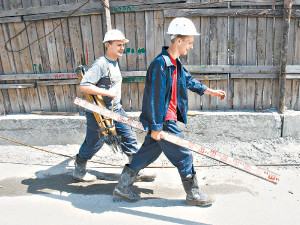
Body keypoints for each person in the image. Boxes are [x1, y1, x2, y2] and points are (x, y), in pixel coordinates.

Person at [113, 18, 226, 206]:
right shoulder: (161, 64)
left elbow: (188, 81)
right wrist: (157, 127)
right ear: (178, 40)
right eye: (189, 42)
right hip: (164, 121)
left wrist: (209, 91)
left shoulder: (176, 63)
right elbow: (155, 98)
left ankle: (122, 187)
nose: (191, 47)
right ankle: (193, 194)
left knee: (146, 154)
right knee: (184, 155)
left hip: (162, 121)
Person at [73, 29, 155, 182]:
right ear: (108, 45)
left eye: (123, 45)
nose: (122, 48)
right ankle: (79, 169)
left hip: (116, 110)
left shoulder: (114, 63)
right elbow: (84, 86)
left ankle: (135, 170)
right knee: (93, 143)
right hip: (99, 113)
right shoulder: (101, 64)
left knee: (129, 138)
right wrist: (108, 93)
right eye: (118, 45)